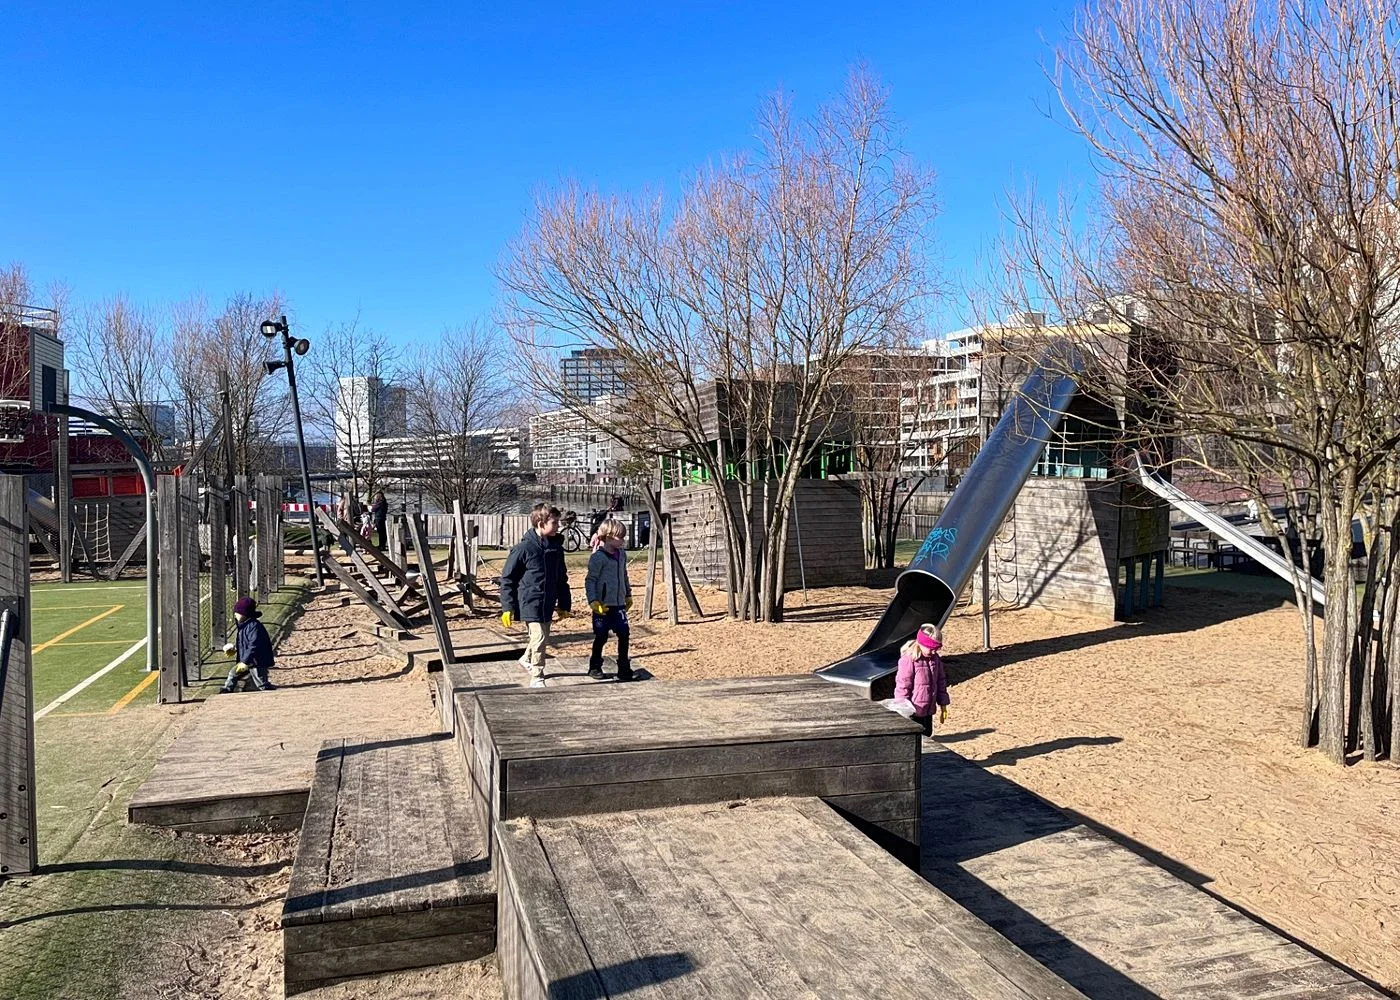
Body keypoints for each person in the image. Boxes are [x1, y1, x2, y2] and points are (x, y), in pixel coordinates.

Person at [499, 503, 573, 688]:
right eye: (554, 523)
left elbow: (561, 578)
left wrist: (564, 604)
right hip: (529, 601)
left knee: (542, 637)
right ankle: (537, 675)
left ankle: (526, 658)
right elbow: (507, 578)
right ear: (541, 523)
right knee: (539, 637)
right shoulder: (523, 549)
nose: (558, 526)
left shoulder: (556, 549)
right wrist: (508, 607)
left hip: (548, 601)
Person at [585, 518, 634, 682]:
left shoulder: (622, 555)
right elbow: (590, 580)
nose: (623, 540)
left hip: (618, 604)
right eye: (620, 537)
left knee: (624, 634)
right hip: (603, 606)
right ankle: (595, 666)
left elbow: (624, 575)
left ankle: (624, 667)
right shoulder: (598, 558)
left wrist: (628, 594)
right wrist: (593, 600)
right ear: (608, 537)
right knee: (601, 636)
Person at [894, 623, 949, 737]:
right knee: (916, 739)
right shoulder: (909, 660)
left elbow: (940, 681)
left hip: (928, 709)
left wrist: (943, 702)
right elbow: (903, 685)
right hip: (914, 711)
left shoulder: (935, 659)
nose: (934, 652)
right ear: (922, 644)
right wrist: (902, 709)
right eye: (931, 648)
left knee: (928, 734)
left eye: (937, 649)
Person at [220, 596, 277, 693]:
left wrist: (244, 661)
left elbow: (253, 646)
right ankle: (227, 689)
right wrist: (235, 649)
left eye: (237, 613)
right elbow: (244, 643)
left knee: (261, 682)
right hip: (247, 660)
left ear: (245, 614)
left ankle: (271, 693)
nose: (235, 615)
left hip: (257, 661)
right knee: (233, 673)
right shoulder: (243, 626)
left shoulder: (254, 627)